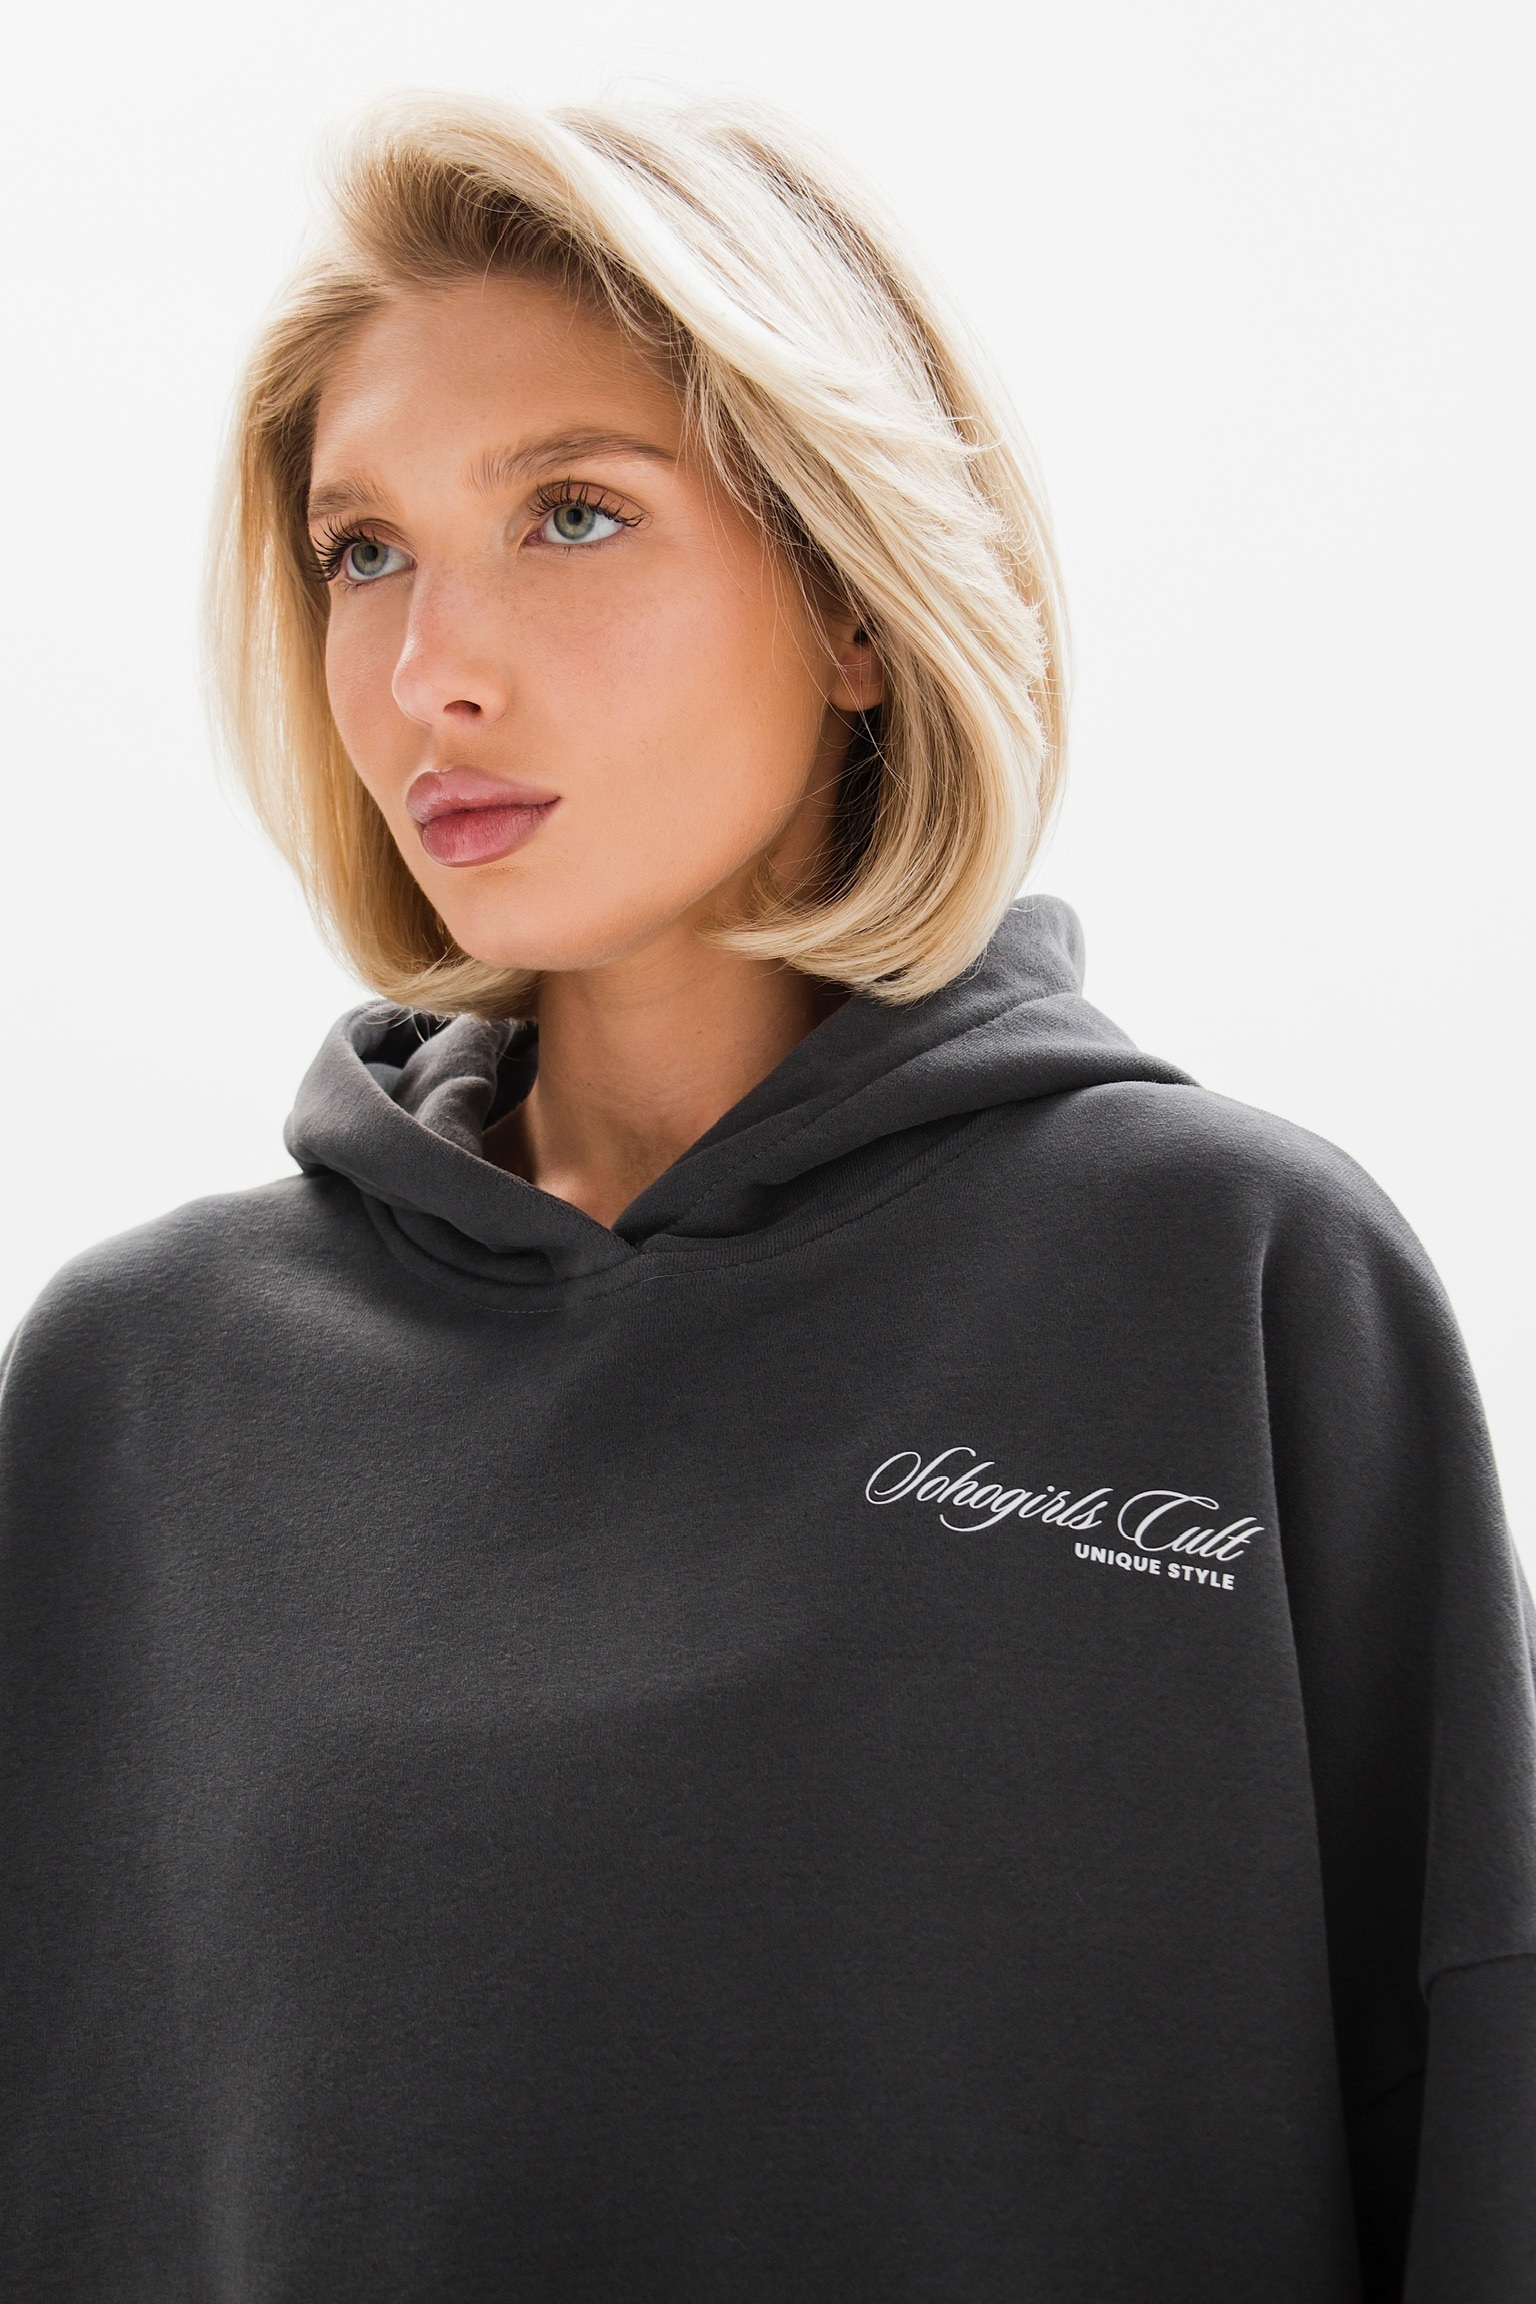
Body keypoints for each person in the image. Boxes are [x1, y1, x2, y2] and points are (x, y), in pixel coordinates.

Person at [1, 91, 1531, 2304]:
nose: (431, 668)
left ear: (851, 601)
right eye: (364, 551)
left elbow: (1480, 2133)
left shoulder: (1227, 1277)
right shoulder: (136, 1394)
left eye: (573, 515)